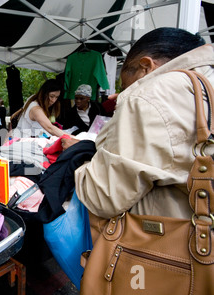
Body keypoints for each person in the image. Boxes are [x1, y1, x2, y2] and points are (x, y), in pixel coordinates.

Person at [73, 27, 212, 220]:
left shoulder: (151, 94)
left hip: (165, 242)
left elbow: (103, 197)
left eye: (125, 86)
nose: (123, 92)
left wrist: (84, 163)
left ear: (145, 67)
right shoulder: (204, 82)